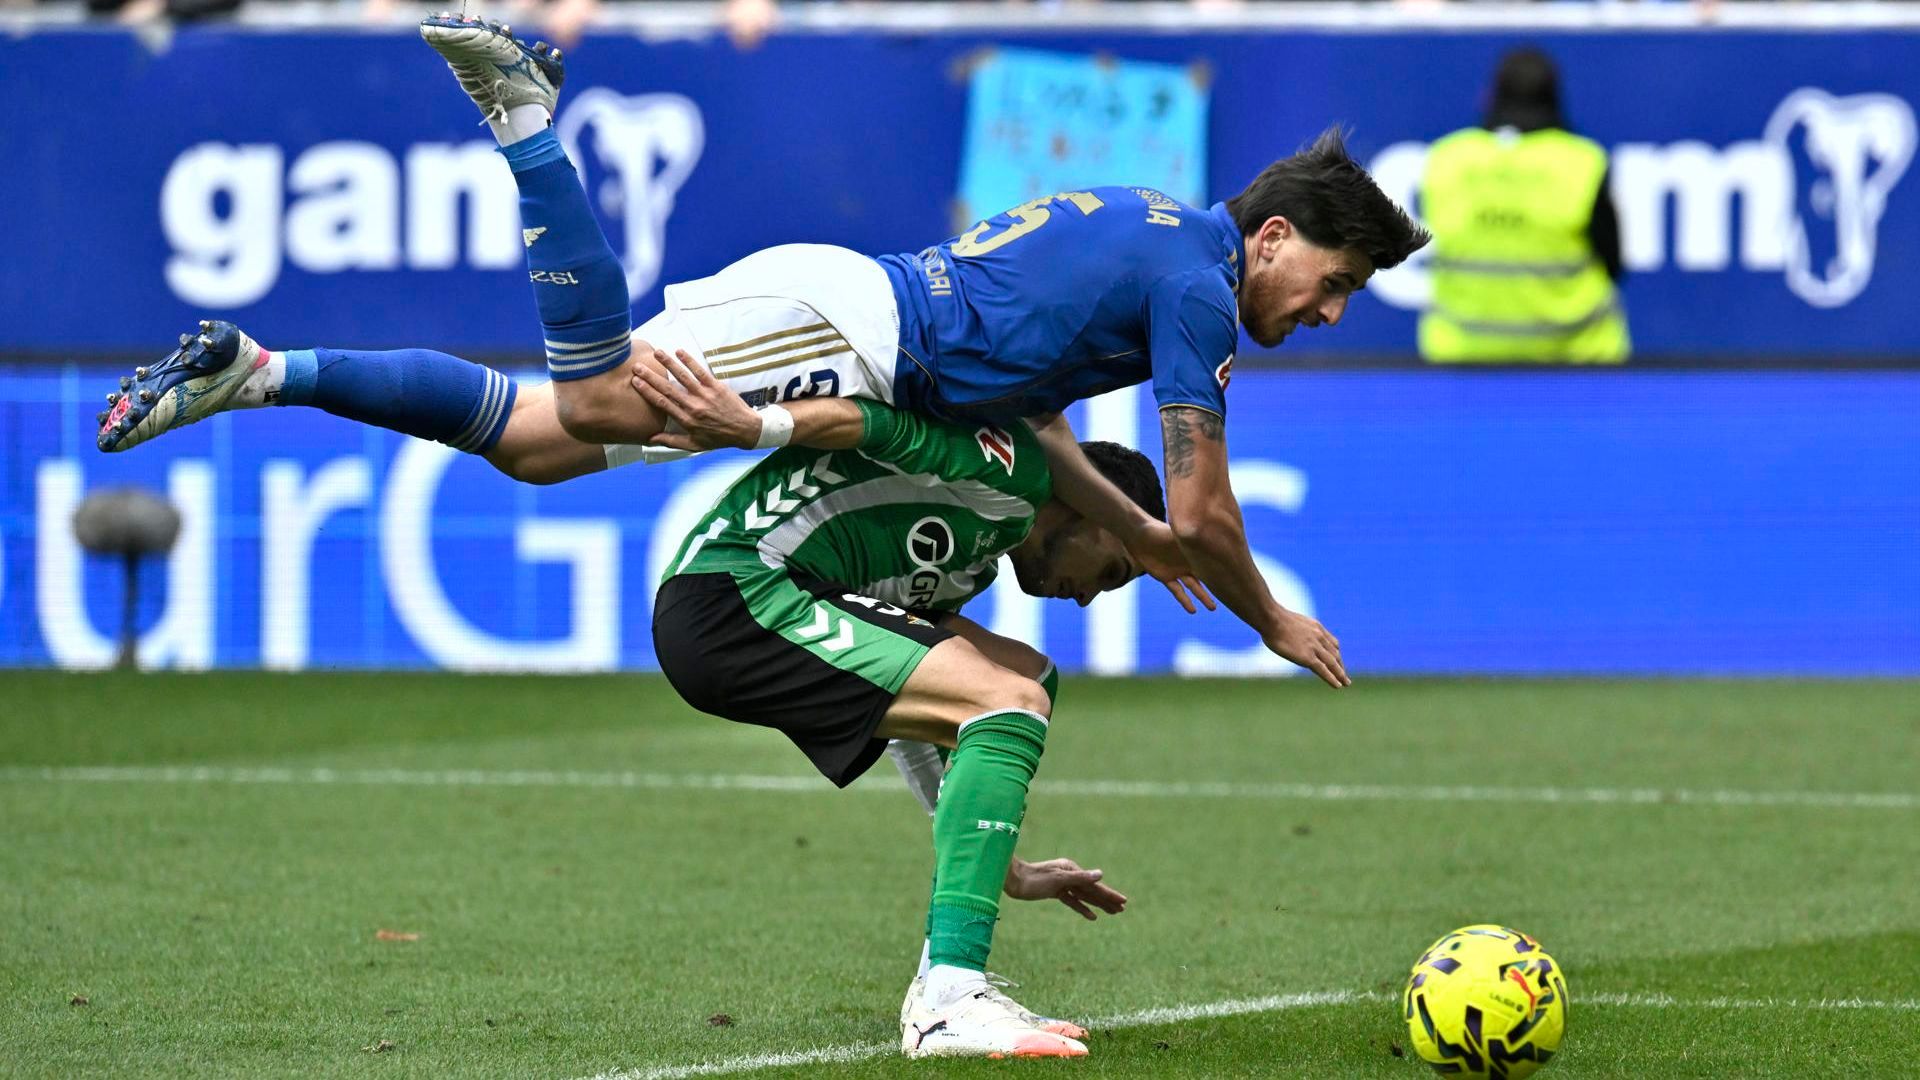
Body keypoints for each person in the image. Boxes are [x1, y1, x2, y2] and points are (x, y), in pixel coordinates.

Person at [98, 14, 1427, 688]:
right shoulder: (1196, 288)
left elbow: (1042, 432)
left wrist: (1123, 532)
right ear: (1271, 235)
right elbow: (1203, 507)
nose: (1330, 310)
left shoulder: (1156, 234)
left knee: (539, 447)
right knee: (602, 393)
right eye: (1338, 281)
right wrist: (1270, 617)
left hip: (852, 317)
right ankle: (524, 121)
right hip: (857, 334)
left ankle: (262, 372)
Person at [640, 354, 1170, 1057]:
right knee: (1005, 700)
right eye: (1112, 570)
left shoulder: (970, 560)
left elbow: (918, 721)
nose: (1088, 594)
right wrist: (755, 425)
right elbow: (876, 425)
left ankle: (944, 978)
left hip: (779, 597)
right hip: (735, 592)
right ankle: (951, 996)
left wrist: (1000, 867)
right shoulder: (1012, 470)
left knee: (1025, 680)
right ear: (1094, 505)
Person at [1417, 46, 1629, 364]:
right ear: (1555, 98)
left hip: (1460, 356)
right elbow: (1613, 264)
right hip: (1576, 361)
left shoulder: (1446, 158)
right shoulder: (1583, 162)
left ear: (1489, 96)